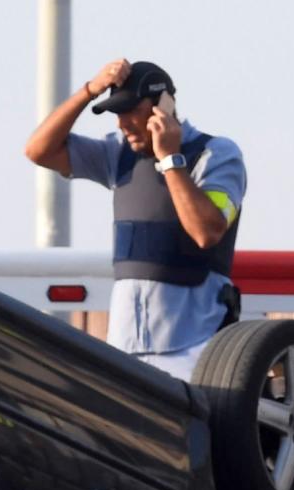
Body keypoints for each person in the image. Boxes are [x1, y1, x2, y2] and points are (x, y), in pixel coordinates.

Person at [25, 58, 246, 381]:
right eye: (116, 113)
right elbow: (38, 150)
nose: (121, 124)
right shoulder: (118, 154)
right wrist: (89, 91)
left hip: (196, 347)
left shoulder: (217, 154)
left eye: (130, 111)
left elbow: (206, 231)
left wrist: (170, 160)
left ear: (163, 107)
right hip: (126, 348)